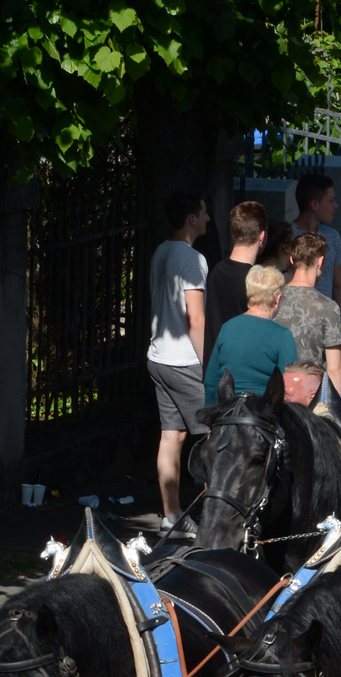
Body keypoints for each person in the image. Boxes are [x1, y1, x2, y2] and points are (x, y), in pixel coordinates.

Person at [147, 190, 210, 537]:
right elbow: (195, 319)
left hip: (157, 355)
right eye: (204, 213)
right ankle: (216, 515)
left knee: (171, 435)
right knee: (215, 434)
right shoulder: (192, 258)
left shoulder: (160, 251)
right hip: (185, 360)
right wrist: (209, 365)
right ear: (191, 219)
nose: (208, 219)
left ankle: (171, 515)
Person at [274, 232, 341, 399]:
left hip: (276, 390)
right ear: (320, 261)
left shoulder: (273, 299)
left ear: (292, 260)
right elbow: (335, 368)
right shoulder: (328, 306)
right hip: (309, 396)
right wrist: (333, 415)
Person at [203, 265, 298, 404]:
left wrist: (212, 417)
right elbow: (290, 388)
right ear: (277, 299)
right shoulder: (282, 335)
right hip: (262, 416)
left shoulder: (227, 327)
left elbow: (211, 381)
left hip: (226, 413)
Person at [204, 201, 268, 364]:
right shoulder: (256, 280)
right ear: (262, 236)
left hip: (216, 371)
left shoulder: (216, 272)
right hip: (244, 375)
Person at [292, 174, 341, 325]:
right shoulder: (289, 236)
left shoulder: (332, 236)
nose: (335, 206)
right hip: (295, 320)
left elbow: (340, 285)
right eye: (331, 201)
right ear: (315, 205)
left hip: (325, 321)